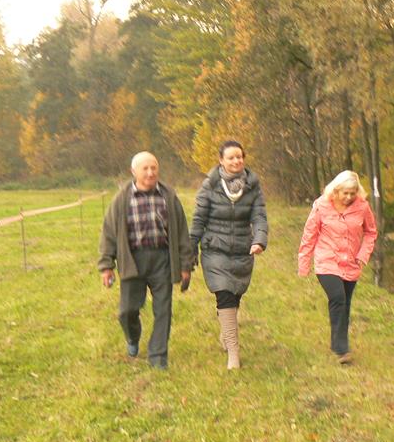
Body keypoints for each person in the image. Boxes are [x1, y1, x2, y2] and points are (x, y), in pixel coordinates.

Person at [98, 151, 193, 370]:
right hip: (133, 259)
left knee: (163, 310)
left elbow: (181, 232)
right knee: (127, 311)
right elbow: (108, 232)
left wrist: (186, 264)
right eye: (145, 169)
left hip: (162, 259)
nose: (150, 173)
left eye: (154, 168)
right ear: (134, 171)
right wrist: (106, 265)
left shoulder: (169, 196)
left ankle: (158, 356)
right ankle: (132, 337)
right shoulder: (122, 199)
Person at [190, 140, 268, 370]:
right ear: (221, 160)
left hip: (242, 249)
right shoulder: (210, 186)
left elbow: (259, 217)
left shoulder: (252, 186)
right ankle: (234, 353)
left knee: (235, 296)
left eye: (239, 157)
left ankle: (226, 331)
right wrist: (191, 245)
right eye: (231, 157)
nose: (236, 161)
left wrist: (259, 240)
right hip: (215, 249)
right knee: (224, 294)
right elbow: (199, 218)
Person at [297, 171, 377, 364]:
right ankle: (342, 349)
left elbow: (371, 232)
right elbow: (309, 235)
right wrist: (304, 264)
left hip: (351, 263)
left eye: (352, 193)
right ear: (336, 190)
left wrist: (363, 255)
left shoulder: (363, 207)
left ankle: (337, 343)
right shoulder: (321, 206)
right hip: (327, 261)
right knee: (338, 298)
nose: (349, 197)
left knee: (345, 304)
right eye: (345, 193)